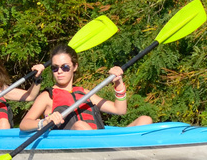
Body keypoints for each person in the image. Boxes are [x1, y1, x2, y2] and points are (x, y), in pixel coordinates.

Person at [20, 44, 153, 131]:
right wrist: (44, 122)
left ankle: (120, 150)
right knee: (80, 125)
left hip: (101, 140)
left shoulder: (86, 93)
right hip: (75, 143)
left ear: (75, 67)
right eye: (55, 68)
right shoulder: (48, 96)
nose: (59, 71)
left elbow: (120, 110)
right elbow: (24, 124)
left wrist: (118, 84)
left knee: (145, 120)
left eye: (65, 67)